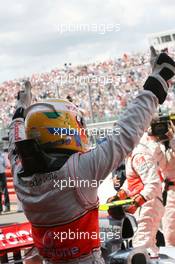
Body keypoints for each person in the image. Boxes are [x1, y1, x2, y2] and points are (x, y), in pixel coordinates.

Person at [8, 53, 175, 263]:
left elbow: (15, 140)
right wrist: (159, 80)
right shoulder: (80, 170)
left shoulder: (19, 174)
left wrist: (20, 109)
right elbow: (126, 131)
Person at [109, 132, 165, 259]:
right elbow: (131, 183)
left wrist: (138, 201)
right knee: (148, 248)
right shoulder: (130, 156)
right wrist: (119, 196)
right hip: (145, 205)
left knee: (141, 246)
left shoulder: (139, 155)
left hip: (150, 205)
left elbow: (153, 183)